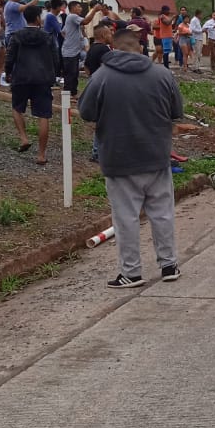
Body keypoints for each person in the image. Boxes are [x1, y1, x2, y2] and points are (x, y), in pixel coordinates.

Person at [78, 27, 184, 288]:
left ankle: (131, 273)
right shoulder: (162, 74)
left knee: (125, 217)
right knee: (162, 214)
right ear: (140, 48)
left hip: (119, 158)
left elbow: (86, 112)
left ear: (113, 48)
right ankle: (169, 265)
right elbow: (176, 111)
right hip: (156, 157)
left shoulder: (101, 77)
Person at [4, 3, 57, 164]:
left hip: (21, 77)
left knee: (16, 108)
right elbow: (56, 58)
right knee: (43, 116)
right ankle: (41, 155)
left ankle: (24, 137)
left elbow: (10, 56)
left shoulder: (17, 35)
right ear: (37, 18)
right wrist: (54, 75)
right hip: (42, 79)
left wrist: (8, 73)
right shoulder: (47, 37)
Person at [61, 0, 103, 101]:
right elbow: (86, 21)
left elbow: (63, 32)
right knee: (70, 74)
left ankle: (73, 93)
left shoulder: (72, 20)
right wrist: (94, 10)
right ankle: (68, 95)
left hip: (72, 51)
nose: (81, 8)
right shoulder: (72, 16)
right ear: (73, 8)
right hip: (70, 52)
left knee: (74, 73)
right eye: (79, 6)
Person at [84, 24, 113, 161]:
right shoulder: (104, 50)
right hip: (105, 88)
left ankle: (97, 151)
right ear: (103, 35)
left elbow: (86, 67)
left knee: (102, 120)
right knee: (106, 120)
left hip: (94, 85)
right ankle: (98, 152)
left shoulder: (91, 49)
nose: (111, 35)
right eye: (109, 33)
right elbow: (108, 68)